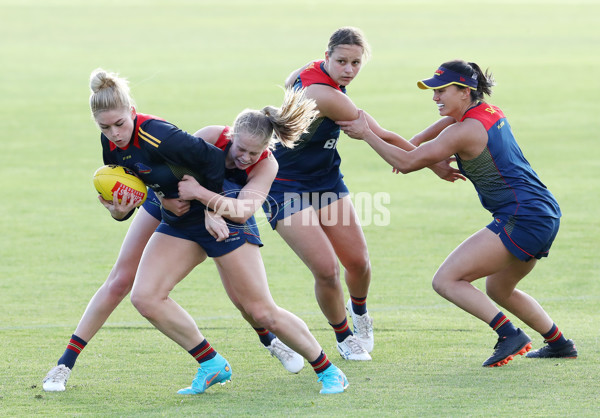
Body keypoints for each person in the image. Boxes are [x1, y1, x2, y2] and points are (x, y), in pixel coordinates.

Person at [44, 68, 348, 395]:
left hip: (228, 219)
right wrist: (128, 208)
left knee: (259, 310)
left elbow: (242, 207)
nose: (245, 158)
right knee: (144, 296)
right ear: (230, 135)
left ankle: (328, 370)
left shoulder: (265, 164)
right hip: (183, 215)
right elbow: (161, 174)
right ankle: (211, 363)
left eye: (253, 153)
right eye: (106, 127)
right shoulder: (204, 136)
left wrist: (208, 206)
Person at [336, 59, 577, 367]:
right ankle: (559, 344)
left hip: (523, 216)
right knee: (499, 289)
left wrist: (366, 133)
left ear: (465, 92)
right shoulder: (486, 112)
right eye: (433, 91)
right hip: (543, 211)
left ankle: (510, 335)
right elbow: (433, 137)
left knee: (447, 280)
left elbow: (409, 163)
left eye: (441, 91)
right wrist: (420, 147)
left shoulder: (464, 130)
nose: (435, 98)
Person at [262, 27, 464, 361]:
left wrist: (430, 160)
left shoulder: (309, 77)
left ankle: (360, 316)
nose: (349, 70)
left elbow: (379, 130)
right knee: (327, 270)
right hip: (284, 187)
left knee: (358, 262)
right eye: (341, 61)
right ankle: (344, 337)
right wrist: (430, 163)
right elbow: (374, 134)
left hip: (325, 183)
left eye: (356, 63)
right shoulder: (327, 96)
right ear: (326, 57)